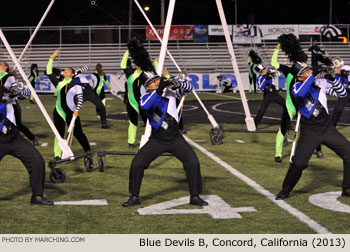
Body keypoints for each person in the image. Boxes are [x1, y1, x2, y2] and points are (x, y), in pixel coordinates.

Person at [122, 71, 207, 207]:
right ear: (147, 86)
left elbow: (190, 88)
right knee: (137, 163)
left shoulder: (171, 93)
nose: (157, 83)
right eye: (153, 82)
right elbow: (146, 106)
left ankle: (195, 196)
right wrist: (160, 88)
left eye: (157, 80)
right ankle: (134, 196)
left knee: (193, 162)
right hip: (157, 139)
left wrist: (176, 82)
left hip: (175, 137)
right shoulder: (145, 98)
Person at [276, 62, 350, 200]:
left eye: (310, 70)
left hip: (327, 127)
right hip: (310, 129)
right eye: (307, 72)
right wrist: (314, 74)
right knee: (299, 163)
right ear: (299, 77)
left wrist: (332, 78)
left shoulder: (320, 83)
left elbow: (343, 94)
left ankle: (347, 187)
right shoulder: (296, 87)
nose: (310, 72)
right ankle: (285, 190)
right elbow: (300, 94)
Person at [0, 62, 52, 205]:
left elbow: (26, 93)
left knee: (37, 161)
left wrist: (16, 91)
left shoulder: (8, 82)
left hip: (13, 136)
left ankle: (37, 196)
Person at [272, 34, 323, 162]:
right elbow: (273, 63)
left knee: (312, 127)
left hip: (303, 106)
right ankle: (277, 154)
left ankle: (318, 150)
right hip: (290, 106)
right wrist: (277, 49)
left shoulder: (307, 73)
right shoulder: (288, 70)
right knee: (283, 128)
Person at [46, 50, 91, 164]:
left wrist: (77, 110)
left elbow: (80, 99)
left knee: (78, 133)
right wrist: (52, 58)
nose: (64, 71)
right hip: (59, 111)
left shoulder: (76, 85)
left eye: (67, 71)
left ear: (72, 74)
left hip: (72, 112)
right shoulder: (59, 83)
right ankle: (57, 154)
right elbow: (49, 72)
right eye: (64, 70)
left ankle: (87, 150)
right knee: (59, 134)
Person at [120, 39, 153, 148]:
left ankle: (153, 139)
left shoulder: (145, 74)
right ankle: (131, 142)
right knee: (132, 122)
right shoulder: (130, 73)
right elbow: (123, 66)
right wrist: (126, 53)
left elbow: (154, 72)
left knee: (149, 121)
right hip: (131, 102)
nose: (135, 64)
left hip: (143, 102)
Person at [250, 50, 287, 130]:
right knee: (261, 111)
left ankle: (287, 123)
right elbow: (262, 87)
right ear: (260, 72)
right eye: (263, 70)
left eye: (264, 69)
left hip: (274, 93)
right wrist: (265, 77)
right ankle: (254, 126)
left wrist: (272, 73)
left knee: (286, 106)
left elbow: (279, 73)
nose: (265, 70)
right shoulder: (259, 78)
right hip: (267, 95)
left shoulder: (269, 72)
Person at [330, 59, 350, 126]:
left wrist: (339, 71)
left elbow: (344, 72)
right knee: (338, 109)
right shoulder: (335, 71)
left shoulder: (346, 67)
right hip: (344, 91)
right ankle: (332, 126)